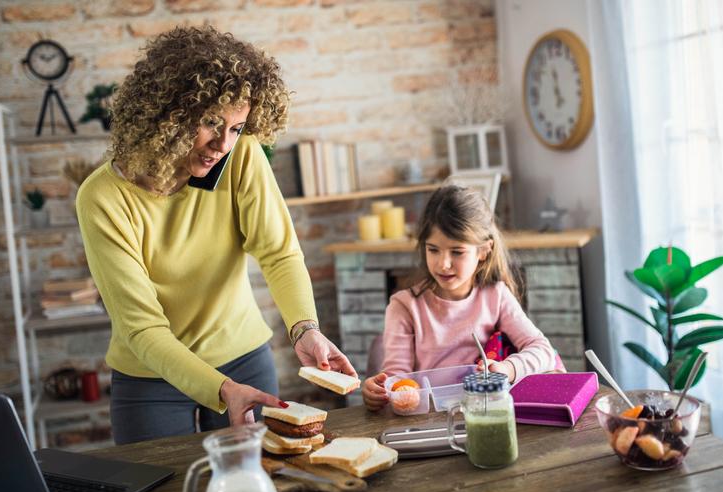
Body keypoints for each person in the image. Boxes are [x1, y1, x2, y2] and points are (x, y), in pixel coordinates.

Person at [76, 26, 356, 444]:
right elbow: (142, 328)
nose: (222, 144)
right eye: (209, 122)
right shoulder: (102, 197)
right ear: (165, 114)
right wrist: (220, 390)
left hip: (243, 361)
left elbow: (278, 253)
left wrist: (305, 330)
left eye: (237, 128)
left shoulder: (240, 156)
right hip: (150, 380)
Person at [362, 185, 564, 411]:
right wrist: (384, 390)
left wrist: (509, 368)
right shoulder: (404, 306)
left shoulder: (495, 296)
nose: (443, 264)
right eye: (433, 250)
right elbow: (398, 376)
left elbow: (542, 349)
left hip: (486, 413)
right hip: (430, 419)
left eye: (457, 252)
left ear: (484, 251)